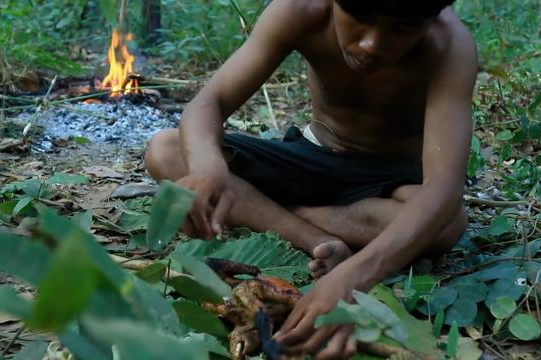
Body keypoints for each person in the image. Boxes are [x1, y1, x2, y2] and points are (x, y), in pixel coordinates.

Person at [145, 0, 477, 358]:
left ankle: (271, 210)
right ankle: (316, 238)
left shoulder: (450, 46)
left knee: (447, 222)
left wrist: (351, 277)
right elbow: (209, 101)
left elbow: (444, 187)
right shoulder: (300, 10)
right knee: (166, 151)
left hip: (390, 176)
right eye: (360, 17)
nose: (372, 44)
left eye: (401, 30)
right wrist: (209, 168)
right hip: (313, 154)